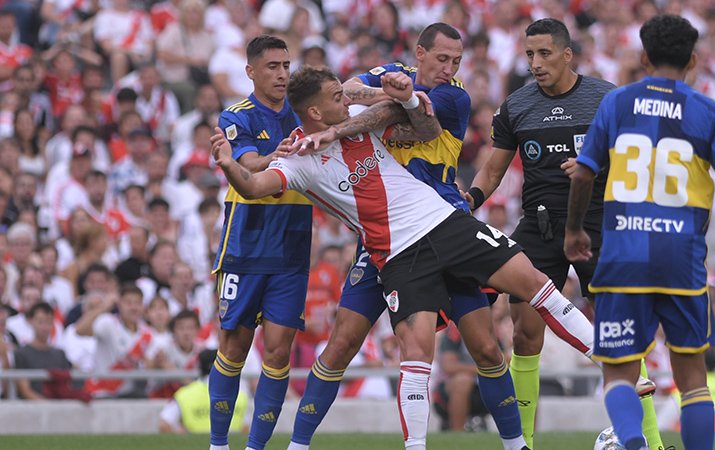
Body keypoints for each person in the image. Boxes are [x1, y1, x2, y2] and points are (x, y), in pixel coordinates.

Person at [212, 65, 597, 450]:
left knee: (534, 285)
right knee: (413, 354)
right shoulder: (298, 159)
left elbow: (425, 128)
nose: (344, 101)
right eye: (335, 97)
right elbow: (255, 186)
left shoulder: (360, 122)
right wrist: (229, 164)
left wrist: (408, 97)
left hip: (446, 222)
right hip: (398, 255)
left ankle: (605, 368)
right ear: (314, 112)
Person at [289, 22, 547, 450]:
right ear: (420, 53)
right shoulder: (393, 72)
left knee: (484, 347)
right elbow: (348, 89)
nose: (449, 68)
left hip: (443, 226)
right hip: (385, 241)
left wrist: (398, 97)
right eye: (442, 58)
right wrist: (391, 91)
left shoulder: (453, 96)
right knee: (342, 344)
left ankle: (517, 445)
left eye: (456, 61)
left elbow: (398, 113)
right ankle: (298, 444)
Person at [564, 15, 715, 450]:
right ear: (695, 60)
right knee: (694, 382)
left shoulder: (616, 104)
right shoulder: (709, 112)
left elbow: (583, 175)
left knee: (619, 375)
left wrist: (574, 230)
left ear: (644, 56)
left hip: (623, 258)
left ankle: (632, 442)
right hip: (682, 261)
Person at [465, 18, 661, 449]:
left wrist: (596, 167)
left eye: (544, 54)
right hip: (538, 225)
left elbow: (639, 159)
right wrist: (471, 200)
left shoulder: (607, 97)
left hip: (599, 223)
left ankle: (651, 440)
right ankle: (524, 443)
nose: (535, 63)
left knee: (616, 332)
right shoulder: (517, 106)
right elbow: (495, 168)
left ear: (567, 54)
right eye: (529, 54)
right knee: (524, 334)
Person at [208, 35, 312, 450]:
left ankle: (255, 448)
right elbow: (246, 164)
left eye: (286, 65)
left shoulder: (307, 113)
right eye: (272, 66)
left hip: (292, 244)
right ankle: (218, 444)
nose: (282, 74)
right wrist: (277, 157)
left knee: (278, 352)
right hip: (246, 243)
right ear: (250, 71)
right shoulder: (237, 115)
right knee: (233, 346)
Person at [160, 348, 249, 434]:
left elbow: (164, 424)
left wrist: (183, 439)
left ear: (200, 367)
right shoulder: (240, 394)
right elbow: (246, 428)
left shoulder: (183, 394)